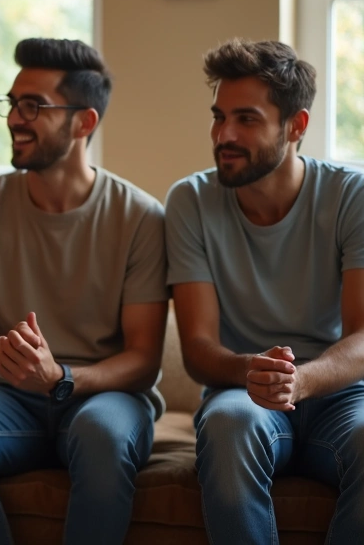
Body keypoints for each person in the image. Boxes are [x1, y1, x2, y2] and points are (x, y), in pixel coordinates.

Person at [0, 38, 168, 544]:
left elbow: (143, 360)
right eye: (11, 103)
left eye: (34, 106)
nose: (14, 118)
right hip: (9, 398)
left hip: (107, 397)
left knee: (103, 435)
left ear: (84, 123)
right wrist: (6, 355)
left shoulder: (140, 216)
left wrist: (62, 377)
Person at [166, 38, 364, 544]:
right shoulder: (190, 201)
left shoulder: (351, 196)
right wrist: (256, 372)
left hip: (341, 395)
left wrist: (299, 381)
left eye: (247, 119)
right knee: (229, 426)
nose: (224, 134)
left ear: (296, 126)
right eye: (218, 116)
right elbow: (198, 349)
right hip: (242, 392)